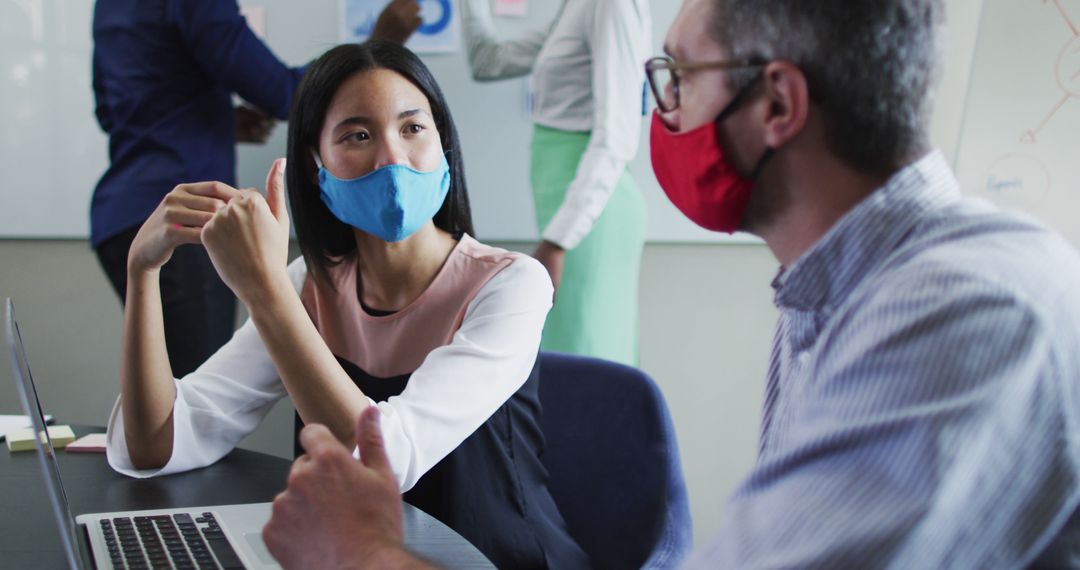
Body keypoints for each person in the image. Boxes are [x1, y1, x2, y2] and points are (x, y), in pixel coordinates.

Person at [261, 0, 1080, 567]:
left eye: (676, 80)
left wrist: (365, 554)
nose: (662, 113)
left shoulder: (961, 314)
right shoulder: (832, 293)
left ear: (778, 105)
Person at [105, 40, 589, 569]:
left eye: (412, 128)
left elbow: (383, 462)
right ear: (317, 168)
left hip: (490, 557)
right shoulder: (309, 285)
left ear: (444, 145)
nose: (391, 158)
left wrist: (263, 289)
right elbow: (154, 444)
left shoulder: (512, 285)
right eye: (357, 135)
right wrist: (143, 270)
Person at [90, 0, 421, 376]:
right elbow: (285, 94)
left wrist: (215, 120)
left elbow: (112, 109)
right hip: (184, 224)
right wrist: (381, 41)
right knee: (191, 400)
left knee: (172, 388)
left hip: (120, 216)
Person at [457, 0, 652, 365]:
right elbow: (488, 61)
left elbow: (617, 137)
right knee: (577, 360)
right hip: (569, 207)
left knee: (589, 364)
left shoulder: (613, 5)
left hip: (588, 216)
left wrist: (558, 240)